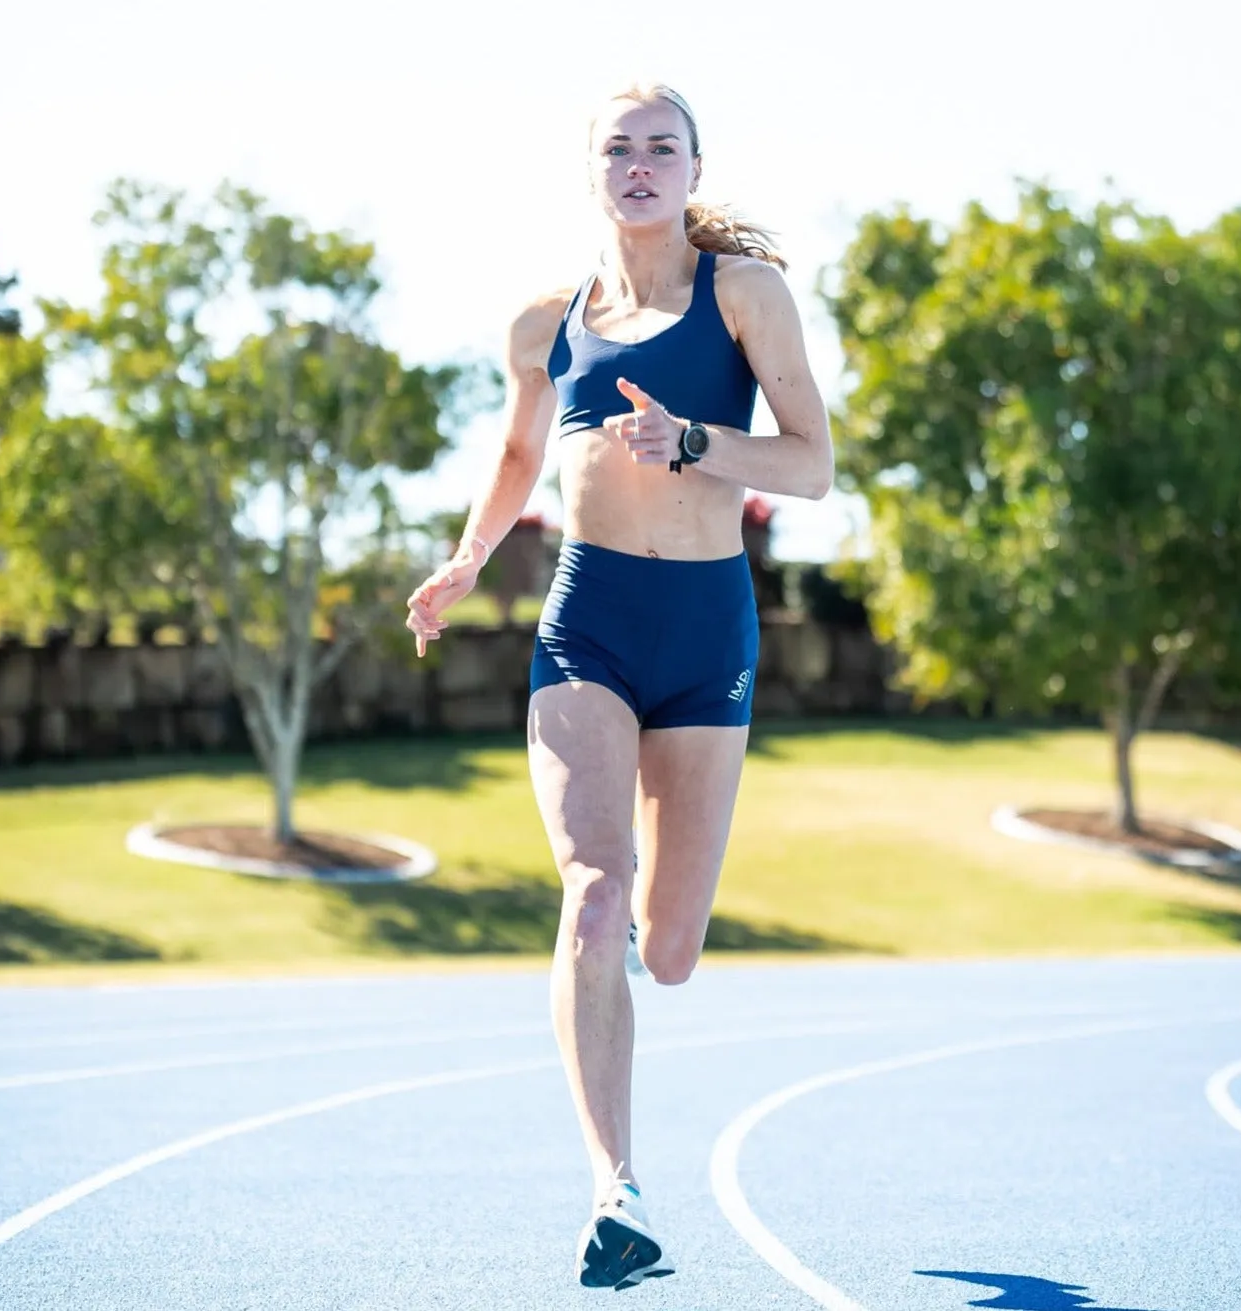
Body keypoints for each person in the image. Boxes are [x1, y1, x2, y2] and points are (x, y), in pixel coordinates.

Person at [405, 82, 831, 1291]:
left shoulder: (743, 297)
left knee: (672, 946)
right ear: (590, 173)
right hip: (584, 625)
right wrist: (464, 561)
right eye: (618, 149)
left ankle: (643, 968)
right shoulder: (545, 321)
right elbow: (515, 455)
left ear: (696, 169)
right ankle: (617, 1191)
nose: (639, 166)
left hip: (707, 632)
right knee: (593, 895)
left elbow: (813, 466)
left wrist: (693, 442)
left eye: (661, 148)